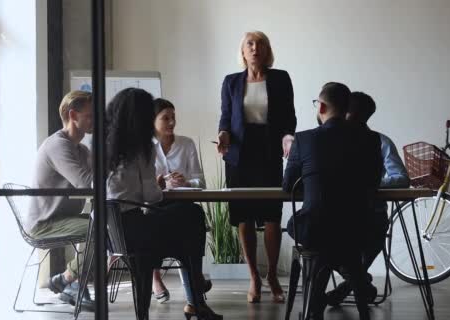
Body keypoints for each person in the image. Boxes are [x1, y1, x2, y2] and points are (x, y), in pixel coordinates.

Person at [105, 88, 221, 320]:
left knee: (187, 222)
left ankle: (194, 297)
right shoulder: (140, 149)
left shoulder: (102, 145)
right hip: (136, 232)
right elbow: (153, 197)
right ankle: (196, 293)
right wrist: (159, 183)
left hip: (110, 233)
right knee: (193, 216)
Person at [283, 82, 383, 320]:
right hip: (358, 229)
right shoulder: (371, 140)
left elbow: (288, 186)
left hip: (315, 230)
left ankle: (313, 309)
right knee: (338, 244)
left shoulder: (304, 140)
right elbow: (373, 183)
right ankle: (350, 284)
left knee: (306, 233)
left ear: (322, 106)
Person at [217, 30, 296, 304]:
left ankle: (272, 275)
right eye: (250, 44)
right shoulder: (231, 82)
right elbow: (226, 118)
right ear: (242, 51)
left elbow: (289, 116)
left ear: (267, 50)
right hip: (240, 155)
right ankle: (254, 277)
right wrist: (224, 136)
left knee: (272, 215)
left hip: (269, 151)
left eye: (260, 44)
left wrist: (288, 137)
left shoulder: (280, 78)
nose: (255, 48)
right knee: (244, 216)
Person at [326, 91, 410, 305]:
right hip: (341, 218)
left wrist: (368, 183)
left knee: (329, 240)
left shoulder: (380, 142)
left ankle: (353, 282)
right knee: (325, 240)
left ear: (348, 113)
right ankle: (360, 281)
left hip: (369, 218)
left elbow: (401, 178)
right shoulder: (328, 140)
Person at [26, 90, 94, 311]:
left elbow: (101, 181)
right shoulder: (58, 145)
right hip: (46, 223)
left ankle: (68, 281)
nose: (95, 120)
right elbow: (87, 182)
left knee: (109, 224)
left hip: (65, 217)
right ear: (73, 115)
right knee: (101, 228)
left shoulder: (81, 149)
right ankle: (69, 281)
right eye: (90, 115)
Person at [150, 98, 210, 304]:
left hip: (182, 203)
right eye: (165, 118)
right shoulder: (145, 147)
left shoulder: (186, 143)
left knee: (192, 216)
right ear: (153, 120)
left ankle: (194, 279)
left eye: (173, 117)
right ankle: (161, 278)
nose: (171, 122)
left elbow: (200, 180)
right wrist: (160, 181)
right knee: (191, 219)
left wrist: (186, 181)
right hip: (154, 205)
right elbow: (141, 182)